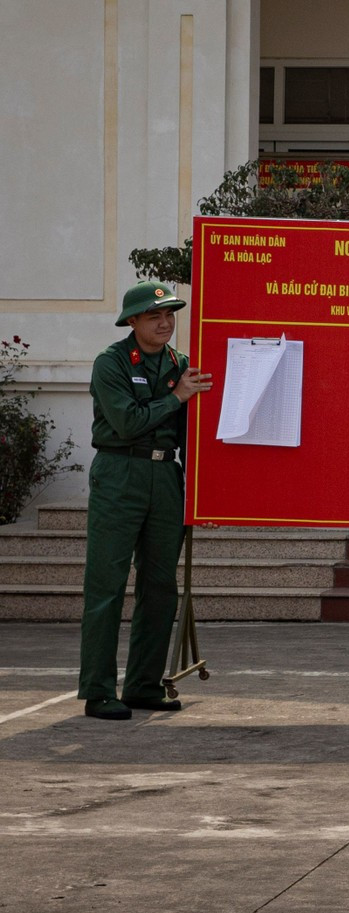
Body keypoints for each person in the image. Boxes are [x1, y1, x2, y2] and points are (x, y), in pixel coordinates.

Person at [78, 281, 212, 720]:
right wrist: (175, 397)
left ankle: (143, 685)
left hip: (165, 476)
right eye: (155, 316)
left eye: (170, 315)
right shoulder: (111, 363)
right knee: (107, 586)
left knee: (159, 588)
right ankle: (98, 690)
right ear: (132, 321)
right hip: (120, 473)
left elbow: (193, 433)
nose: (165, 323)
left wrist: (205, 495)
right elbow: (126, 422)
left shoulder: (180, 365)